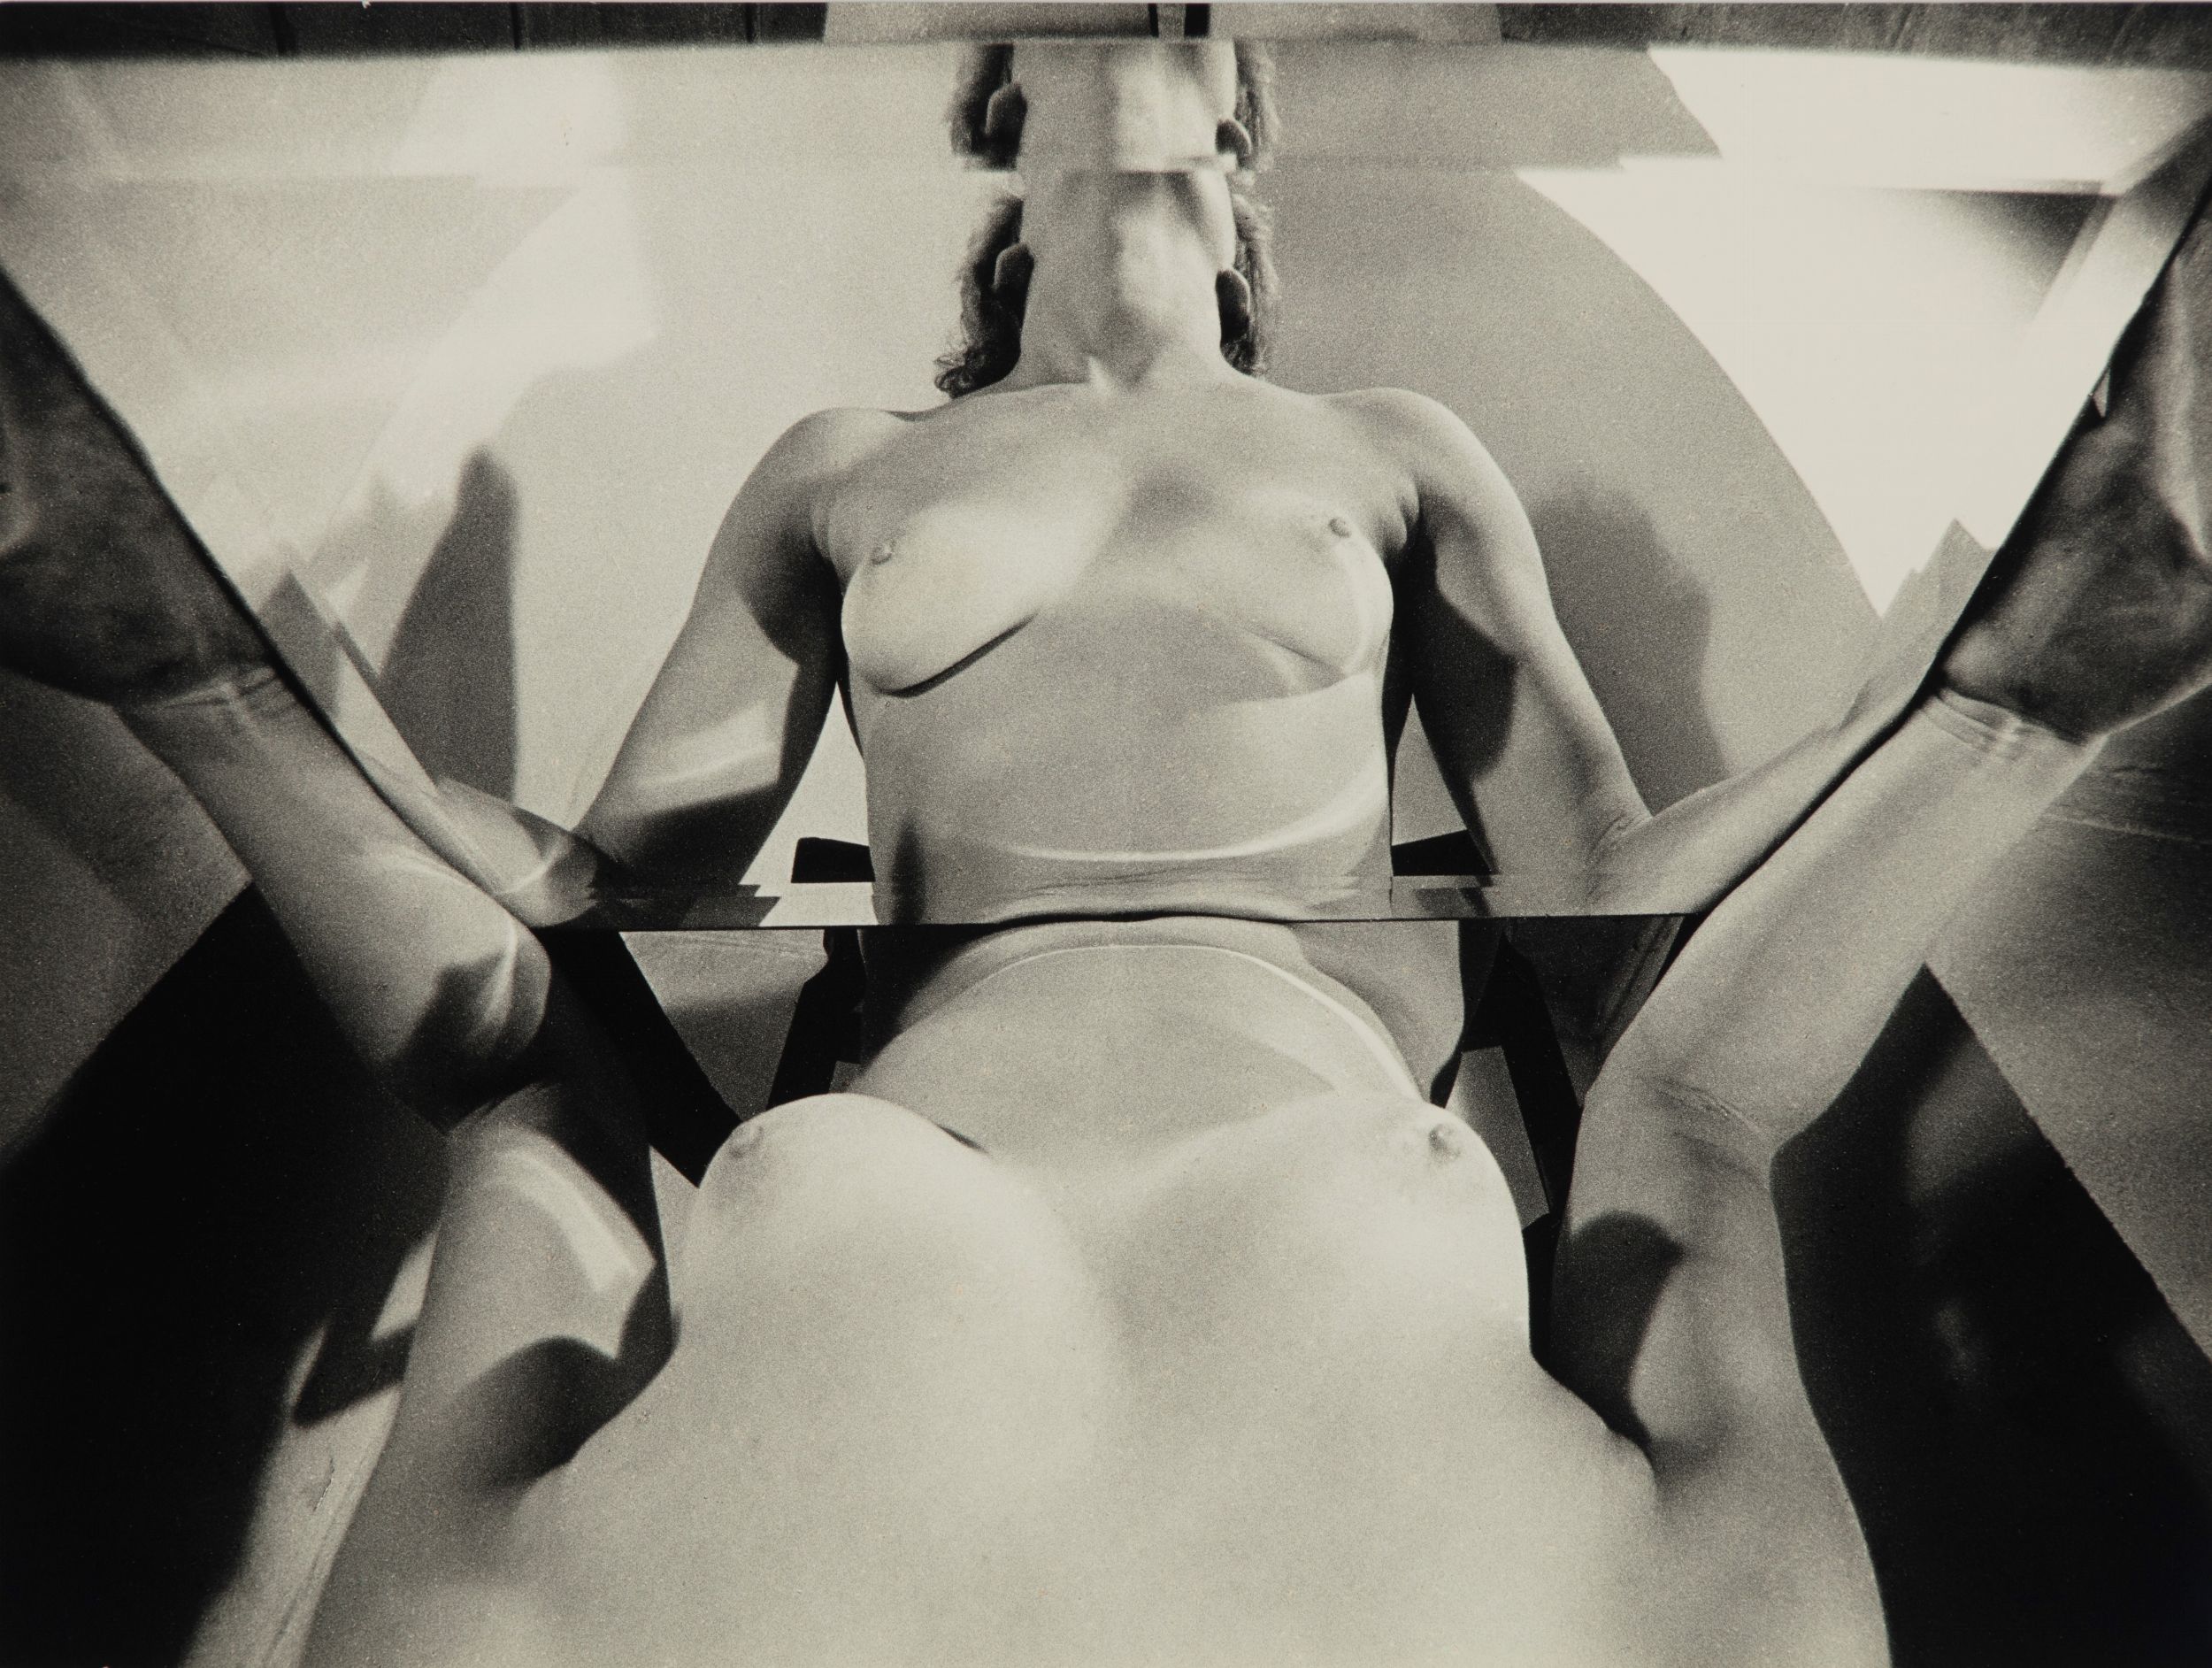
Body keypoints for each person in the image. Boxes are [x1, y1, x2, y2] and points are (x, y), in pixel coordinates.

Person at [4, 42, 2209, 1665]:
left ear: (1245, 139)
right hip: (998, 1187)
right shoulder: (844, 467)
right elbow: (618, 891)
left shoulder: (1388, 451)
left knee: (524, 1102)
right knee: (1691, 1119)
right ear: (999, 113)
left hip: (1156, 1180)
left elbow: (1600, 890)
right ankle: (2009, 714)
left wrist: (1859, 724)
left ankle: (199, 683)